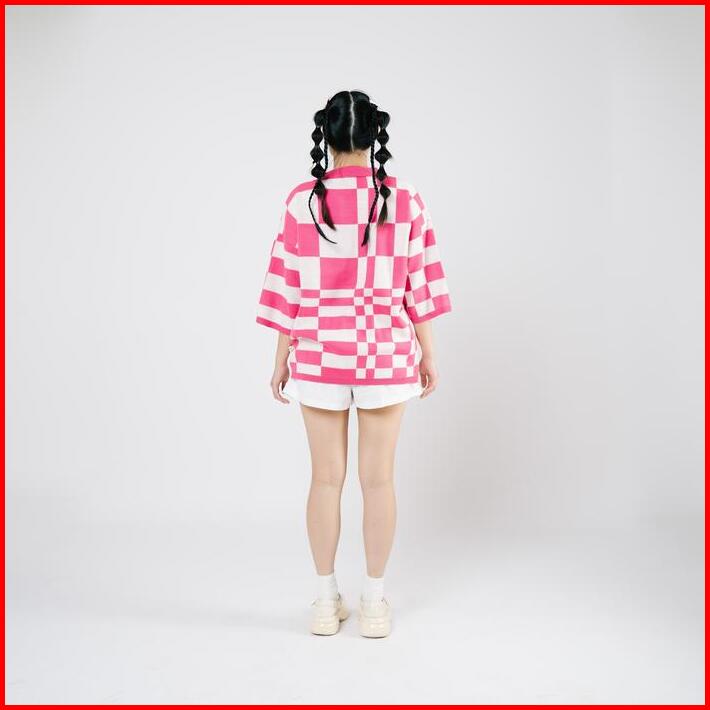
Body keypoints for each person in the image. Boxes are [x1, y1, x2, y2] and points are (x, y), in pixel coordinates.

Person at [255, 90, 452, 637]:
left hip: (319, 357)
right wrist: (429, 353)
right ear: (373, 135)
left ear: (327, 135)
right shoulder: (404, 199)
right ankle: (374, 603)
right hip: (385, 357)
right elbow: (419, 284)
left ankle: (325, 602)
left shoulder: (301, 202)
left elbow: (288, 289)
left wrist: (280, 361)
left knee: (325, 480)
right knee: (378, 481)